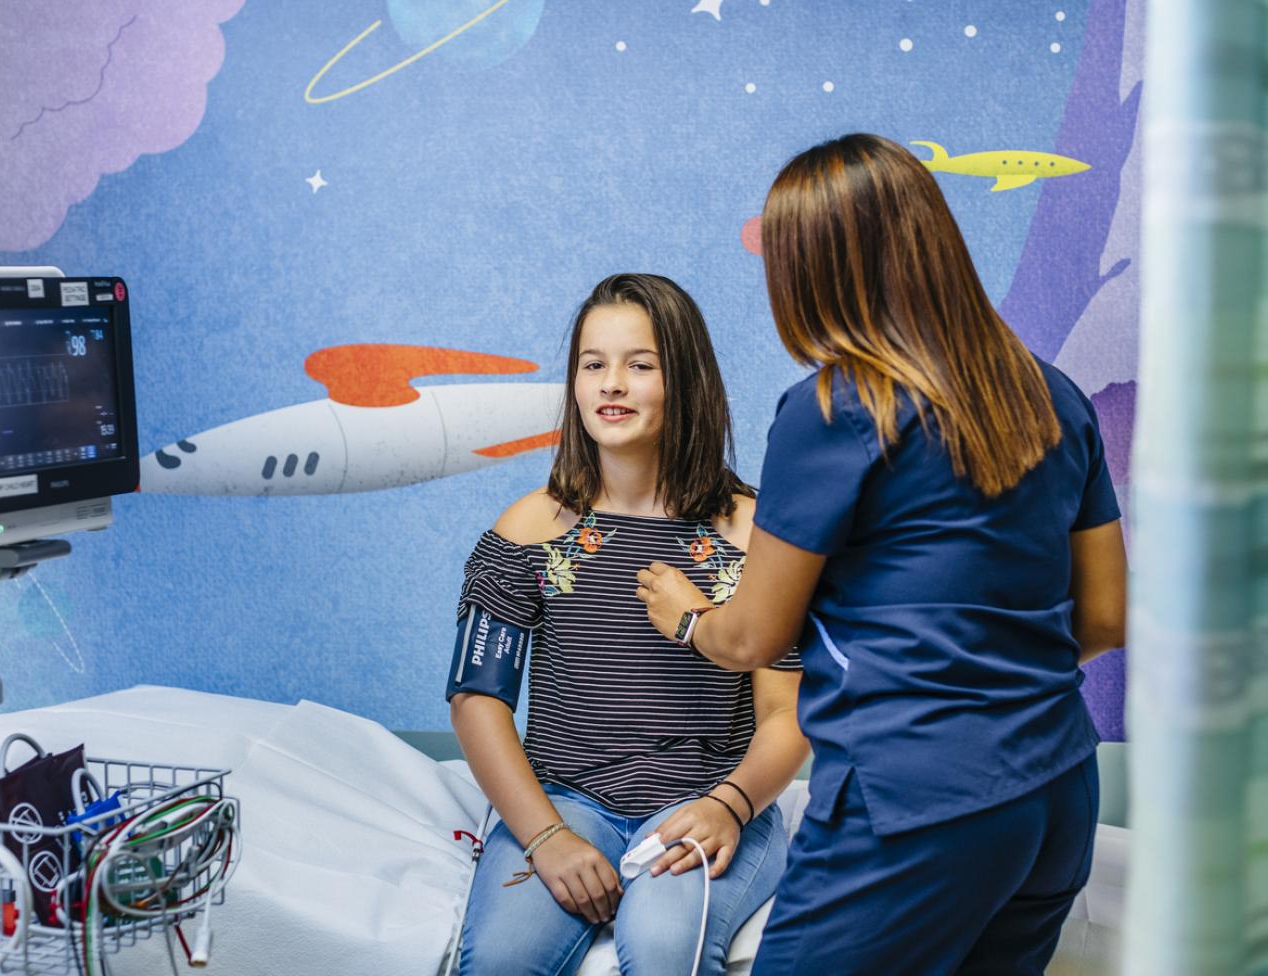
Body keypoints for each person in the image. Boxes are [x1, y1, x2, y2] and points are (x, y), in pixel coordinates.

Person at [635, 134, 1129, 974]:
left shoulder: (832, 407)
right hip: (1056, 792)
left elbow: (755, 636)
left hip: (917, 799)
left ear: (813, 273)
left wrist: (689, 620)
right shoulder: (1053, 396)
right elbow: (1107, 615)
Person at [450, 273, 809, 976]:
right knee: (497, 960)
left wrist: (732, 807)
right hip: (565, 799)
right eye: (594, 365)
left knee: (663, 949)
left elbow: (787, 712)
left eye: (640, 365)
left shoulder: (754, 535)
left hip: (704, 802)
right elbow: (476, 700)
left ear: (687, 381)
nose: (612, 384)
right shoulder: (528, 529)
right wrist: (546, 835)